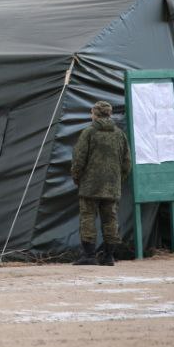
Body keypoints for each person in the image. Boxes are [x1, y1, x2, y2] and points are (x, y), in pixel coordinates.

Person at [71, 100, 130, 266]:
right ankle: (109, 256)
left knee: (88, 217)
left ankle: (89, 255)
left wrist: (77, 178)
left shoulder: (88, 133)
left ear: (94, 114)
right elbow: (127, 163)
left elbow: (79, 159)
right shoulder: (120, 134)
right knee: (111, 218)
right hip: (112, 185)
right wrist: (117, 180)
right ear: (109, 114)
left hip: (90, 185)